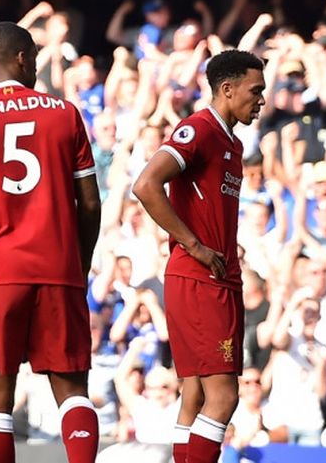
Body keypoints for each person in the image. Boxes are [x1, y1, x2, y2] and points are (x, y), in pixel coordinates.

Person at [0, 22, 102, 463]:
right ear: (24, 58)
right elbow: (90, 205)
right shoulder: (64, 114)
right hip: (57, 267)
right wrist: (76, 270)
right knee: (73, 392)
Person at [133, 49, 265, 463]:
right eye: (255, 90)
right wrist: (194, 244)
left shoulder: (233, 143)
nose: (261, 99)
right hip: (201, 280)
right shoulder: (199, 129)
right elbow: (146, 184)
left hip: (210, 276)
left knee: (194, 393)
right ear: (226, 89)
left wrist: (224, 240)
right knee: (223, 399)